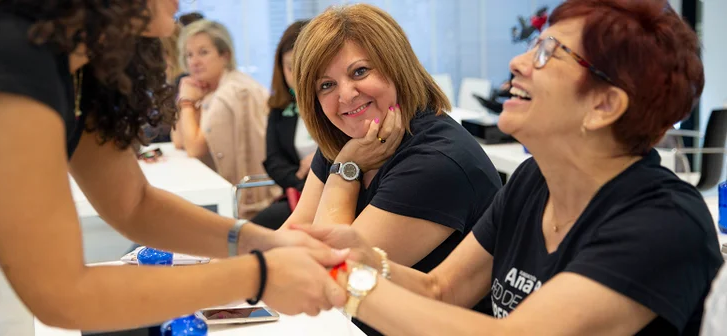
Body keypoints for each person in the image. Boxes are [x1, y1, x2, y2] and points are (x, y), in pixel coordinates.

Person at [293, 1, 724, 335]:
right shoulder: (534, 181)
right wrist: (369, 262)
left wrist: (347, 278)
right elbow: (440, 289)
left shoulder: (661, 224)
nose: (518, 63)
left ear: (604, 105)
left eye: (548, 53)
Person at [0, 1, 348, 334]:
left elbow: (133, 204)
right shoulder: (8, 55)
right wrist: (258, 275)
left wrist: (265, 244)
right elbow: (59, 294)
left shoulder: (77, 66)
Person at [286, 4, 501, 334]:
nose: (346, 95)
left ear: (397, 67)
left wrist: (346, 169)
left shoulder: (436, 162)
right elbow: (292, 238)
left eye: (359, 72)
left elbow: (325, 271)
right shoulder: (350, 138)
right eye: (326, 85)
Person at [170, 19, 277, 219]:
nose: (194, 61)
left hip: (248, 202)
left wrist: (186, 103)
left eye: (203, 52)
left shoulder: (231, 93)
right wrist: (189, 100)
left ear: (225, 55)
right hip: (227, 193)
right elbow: (178, 141)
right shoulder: (212, 89)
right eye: (189, 55)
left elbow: (193, 148)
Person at [252, 20, 315, 230]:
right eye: (290, 67)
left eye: (303, 66)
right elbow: (274, 161)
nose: (297, 75)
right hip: (298, 194)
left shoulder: (338, 102)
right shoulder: (280, 107)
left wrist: (319, 162)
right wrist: (301, 181)